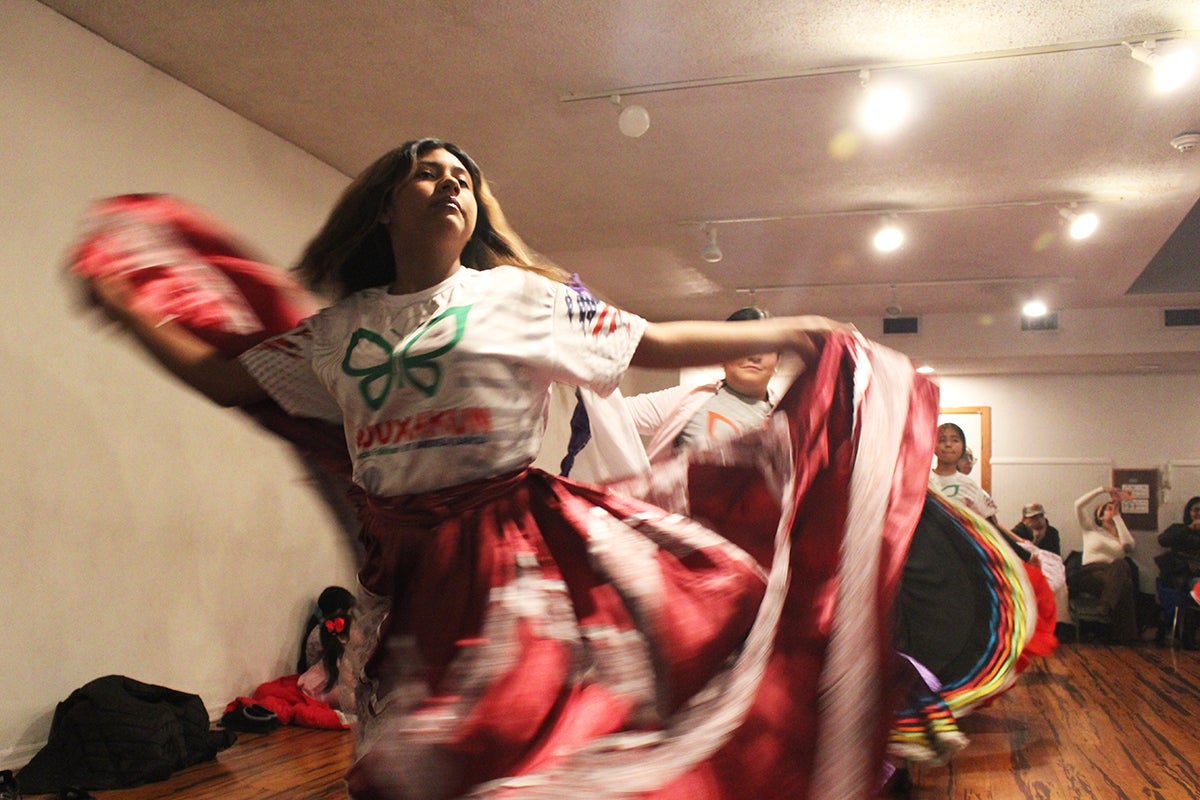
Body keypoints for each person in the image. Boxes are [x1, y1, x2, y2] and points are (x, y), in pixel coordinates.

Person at [78, 138, 919, 799]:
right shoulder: (340, 333)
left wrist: (790, 331)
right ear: (384, 207)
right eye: (428, 174)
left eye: (464, 179)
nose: (451, 185)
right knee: (403, 769)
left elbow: (654, 342)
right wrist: (124, 309)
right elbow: (223, 377)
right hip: (400, 582)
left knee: (511, 759)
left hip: (510, 567)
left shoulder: (525, 297)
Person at [625, 306, 778, 462]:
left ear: (777, 361)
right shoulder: (688, 399)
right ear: (723, 355)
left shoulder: (788, 416)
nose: (755, 356)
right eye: (745, 344)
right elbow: (613, 412)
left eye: (766, 347)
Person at [1073, 486, 1139, 643]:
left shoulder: (1120, 535)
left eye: (1113, 508)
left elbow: (1129, 547)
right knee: (1125, 582)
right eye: (1108, 509)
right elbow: (1078, 505)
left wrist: (1117, 518)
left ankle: (1107, 610)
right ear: (1100, 516)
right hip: (1091, 574)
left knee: (1122, 569)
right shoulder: (1091, 531)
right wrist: (1102, 490)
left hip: (1112, 574)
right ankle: (1127, 635)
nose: (1112, 510)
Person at [1155, 496, 1200, 646]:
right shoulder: (1178, 528)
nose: (1198, 514)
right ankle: (1188, 636)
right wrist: (1188, 529)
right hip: (1181, 574)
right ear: (1189, 512)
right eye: (1196, 510)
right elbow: (1162, 540)